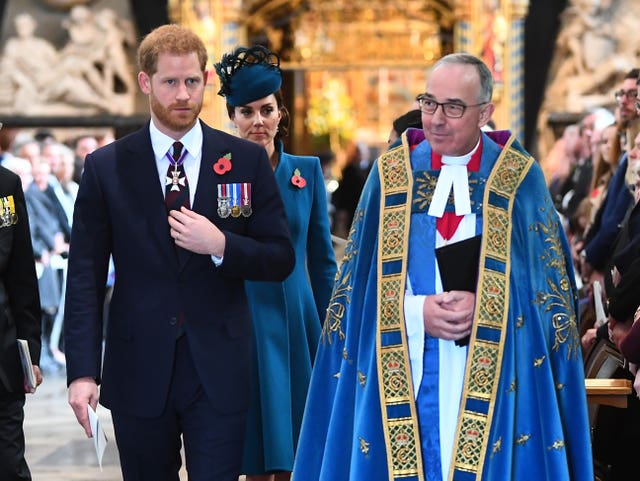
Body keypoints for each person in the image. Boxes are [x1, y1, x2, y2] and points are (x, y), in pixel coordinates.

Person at [293, 53, 593, 481]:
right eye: (428, 103)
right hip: (408, 360)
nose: (435, 119)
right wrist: (416, 313)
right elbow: (355, 289)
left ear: (485, 112)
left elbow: (550, 297)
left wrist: (487, 308)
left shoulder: (518, 179)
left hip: (497, 372)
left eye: (453, 107)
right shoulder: (391, 175)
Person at [63, 25, 295, 481]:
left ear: (206, 79)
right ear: (145, 82)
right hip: (138, 367)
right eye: (170, 82)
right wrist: (82, 372)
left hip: (219, 367)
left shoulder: (244, 160)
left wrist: (222, 245)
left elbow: (280, 257)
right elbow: (85, 277)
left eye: (192, 81)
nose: (183, 94)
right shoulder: (106, 167)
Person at [214, 45, 337, 481]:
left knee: (299, 450)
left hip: (295, 319)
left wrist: (333, 328)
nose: (258, 121)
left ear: (281, 114)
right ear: (232, 117)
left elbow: (322, 261)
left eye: (266, 110)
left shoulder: (306, 172)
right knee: (251, 454)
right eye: (246, 112)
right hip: (242, 318)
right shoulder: (219, 172)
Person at [0, 153, 43, 480]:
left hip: (2, 359)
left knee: (10, 464)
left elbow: (21, 274)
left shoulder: (5, 186)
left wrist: (30, 352)